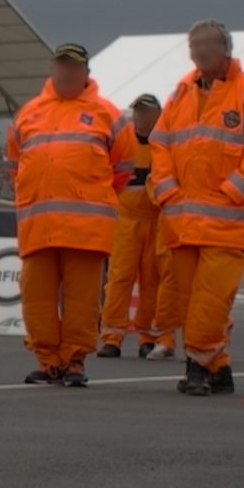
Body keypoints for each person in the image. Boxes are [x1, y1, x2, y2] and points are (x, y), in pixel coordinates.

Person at [151, 20, 244, 395]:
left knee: (210, 299)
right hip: (182, 221)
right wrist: (166, 189)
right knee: (190, 299)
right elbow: (159, 144)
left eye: (207, 44)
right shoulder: (181, 93)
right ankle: (218, 367)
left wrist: (236, 188)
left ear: (226, 49)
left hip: (227, 222)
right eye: (194, 45)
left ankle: (197, 365)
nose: (200, 51)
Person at [6, 42, 133, 386]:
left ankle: (74, 361)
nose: (67, 72)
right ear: (53, 69)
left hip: (86, 228)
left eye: (74, 67)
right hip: (38, 226)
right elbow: (14, 165)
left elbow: (123, 169)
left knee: (82, 301)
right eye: (62, 65)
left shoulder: (108, 115)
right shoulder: (28, 113)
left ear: (86, 73)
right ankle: (48, 360)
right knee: (38, 299)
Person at [98, 93, 166, 358]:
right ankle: (112, 336)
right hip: (125, 221)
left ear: (157, 115)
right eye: (138, 111)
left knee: (152, 282)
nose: (141, 117)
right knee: (119, 279)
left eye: (147, 112)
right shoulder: (122, 141)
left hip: (156, 220)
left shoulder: (164, 142)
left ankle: (147, 337)